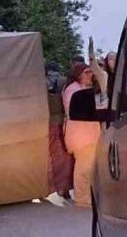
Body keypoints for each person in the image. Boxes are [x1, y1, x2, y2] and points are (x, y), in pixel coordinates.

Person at [63, 63, 101, 208]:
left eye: (90, 72)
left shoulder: (81, 89)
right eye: (87, 72)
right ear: (78, 74)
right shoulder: (73, 90)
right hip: (81, 136)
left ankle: (86, 197)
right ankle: (82, 199)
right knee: (83, 169)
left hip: (88, 134)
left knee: (88, 168)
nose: (90, 74)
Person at [45, 62, 74, 204]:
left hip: (55, 123)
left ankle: (61, 188)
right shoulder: (63, 82)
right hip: (58, 123)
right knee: (61, 157)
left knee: (59, 157)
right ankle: (62, 188)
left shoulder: (46, 83)